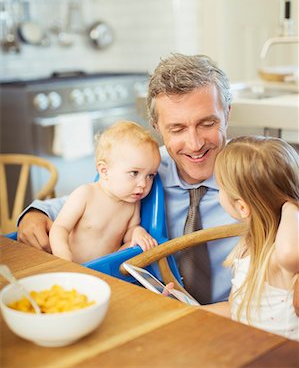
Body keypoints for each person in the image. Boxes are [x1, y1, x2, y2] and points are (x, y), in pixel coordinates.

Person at [17, 53, 299, 308]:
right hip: (161, 309)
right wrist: (36, 213)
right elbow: (88, 199)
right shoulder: (145, 171)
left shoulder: (254, 170)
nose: (195, 143)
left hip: (243, 315)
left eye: (207, 123)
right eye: (177, 128)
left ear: (227, 113)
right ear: (157, 127)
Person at [201, 136, 299, 341]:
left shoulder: (278, 256)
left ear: (242, 207)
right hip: (245, 345)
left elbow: (291, 254)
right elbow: (237, 310)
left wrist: (292, 206)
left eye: (220, 188)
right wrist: (186, 309)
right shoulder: (250, 244)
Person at [49, 120, 160, 263]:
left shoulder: (132, 204)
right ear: (104, 171)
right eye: (134, 173)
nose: (143, 184)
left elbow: (129, 234)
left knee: (136, 246)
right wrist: (63, 258)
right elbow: (60, 228)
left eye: (150, 176)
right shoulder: (86, 194)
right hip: (71, 270)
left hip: (104, 272)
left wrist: (137, 232)